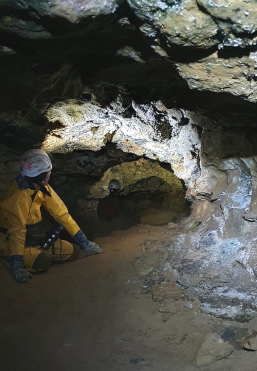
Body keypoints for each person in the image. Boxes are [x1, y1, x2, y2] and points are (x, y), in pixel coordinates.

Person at [0, 149, 103, 283]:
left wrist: (85, 243)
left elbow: (62, 214)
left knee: (73, 251)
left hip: (34, 239)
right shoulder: (17, 196)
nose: (50, 174)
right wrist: (17, 266)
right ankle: (12, 258)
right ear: (42, 176)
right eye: (49, 172)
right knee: (43, 261)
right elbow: (17, 230)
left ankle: (37, 253)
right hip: (9, 241)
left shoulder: (42, 188)